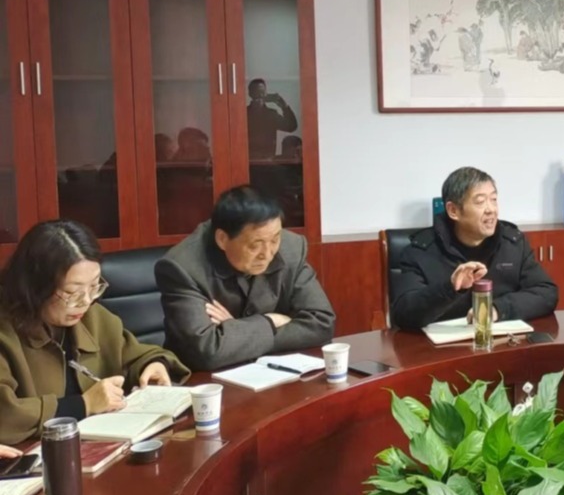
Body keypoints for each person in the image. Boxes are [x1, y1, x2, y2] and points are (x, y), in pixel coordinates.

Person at [0, 221, 189, 445]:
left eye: (94, 286)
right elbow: (6, 415)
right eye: (72, 292)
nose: (86, 301)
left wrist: (153, 365)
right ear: (35, 286)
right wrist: (84, 404)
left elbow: (134, 354)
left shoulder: (92, 316)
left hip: (101, 446)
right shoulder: (6, 329)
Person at [156, 186, 335, 370]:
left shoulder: (290, 248)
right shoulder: (183, 267)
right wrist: (271, 321)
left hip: (270, 371)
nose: (267, 254)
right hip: (201, 379)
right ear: (222, 239)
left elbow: (322, 324)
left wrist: (237, 330)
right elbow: (207, 351)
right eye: (255, 245)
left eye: (275, 240)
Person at [391, 167, 558, 329]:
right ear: (453, 210)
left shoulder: (513, 243)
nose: (491, 210)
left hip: (502, 342)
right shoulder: (420, 252)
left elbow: (546, 293)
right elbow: (404, 313)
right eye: (480, 202)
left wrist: (497, 309)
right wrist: (450, 287)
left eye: (494, 199)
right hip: (442, 345)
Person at [246, 78, 298, 160]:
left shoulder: (271, 115)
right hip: (247, 159)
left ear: (266, 94)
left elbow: (291, 126)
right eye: (256, 92)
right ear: (250, 94)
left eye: (262, 92)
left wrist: (284, 105)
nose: (259, 95)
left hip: (267, 160)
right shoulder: (243, 114)